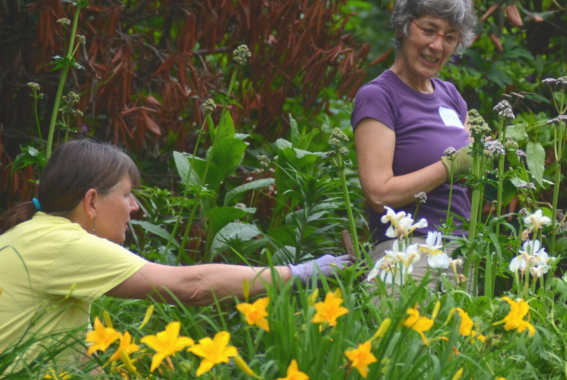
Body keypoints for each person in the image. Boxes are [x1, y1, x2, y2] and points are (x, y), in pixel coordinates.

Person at [0, 140, 352, 367]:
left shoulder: (33, 234)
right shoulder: (65, 244)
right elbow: (191, 287)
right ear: (91, 201)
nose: (135, 208)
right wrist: (300, 273)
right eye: (126, 195)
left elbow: (70, 351)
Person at [351, 0, 476, 282]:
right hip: (407, 256)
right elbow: (378, 195)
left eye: (450, 37)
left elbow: (473, 160)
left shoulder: (451, 95)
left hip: (460, 254)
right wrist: (449, 166)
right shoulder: (379, 96)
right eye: (429, 30)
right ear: (404, 27)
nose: (437, 45)